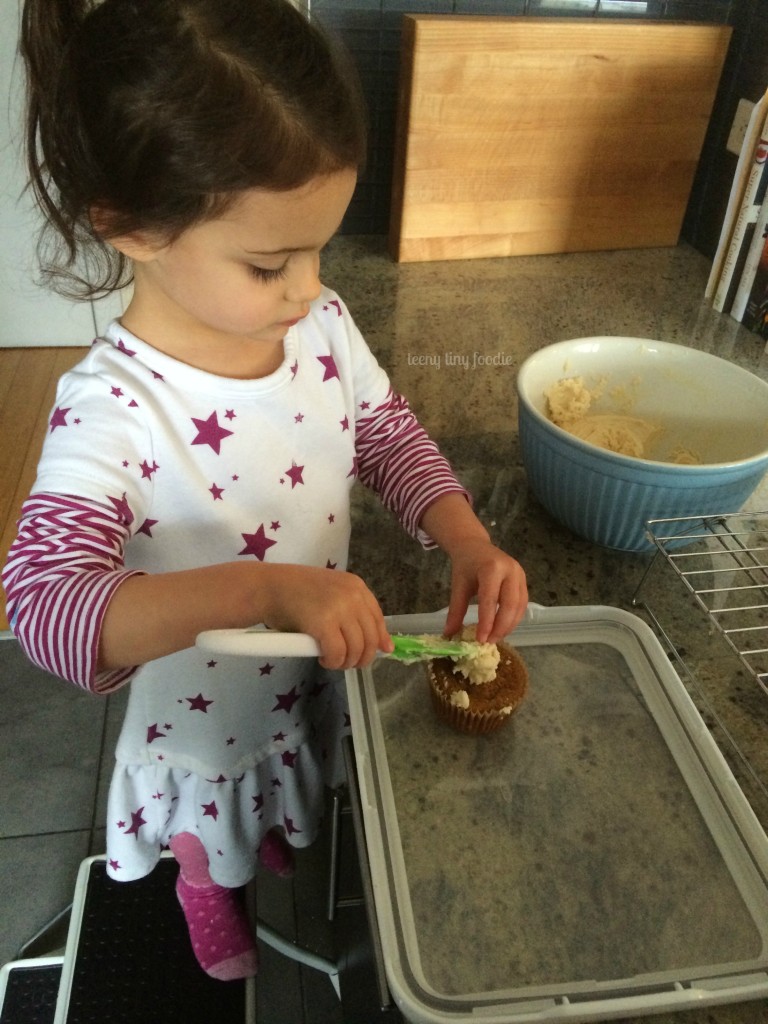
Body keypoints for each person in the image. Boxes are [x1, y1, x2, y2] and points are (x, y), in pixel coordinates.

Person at [4, 0, 528, 982]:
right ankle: (205, 888)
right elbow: (44, 608)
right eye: (269, 261)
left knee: (289, 794)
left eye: (320, 247)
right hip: (198, 725)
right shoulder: (113, 409)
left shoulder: (319, 324)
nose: (309, 287)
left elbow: (382, 429)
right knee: (216, 834)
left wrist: (462, 535)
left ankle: (270, 850)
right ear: (129, 227)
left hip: (301, 677)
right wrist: (264, 585)